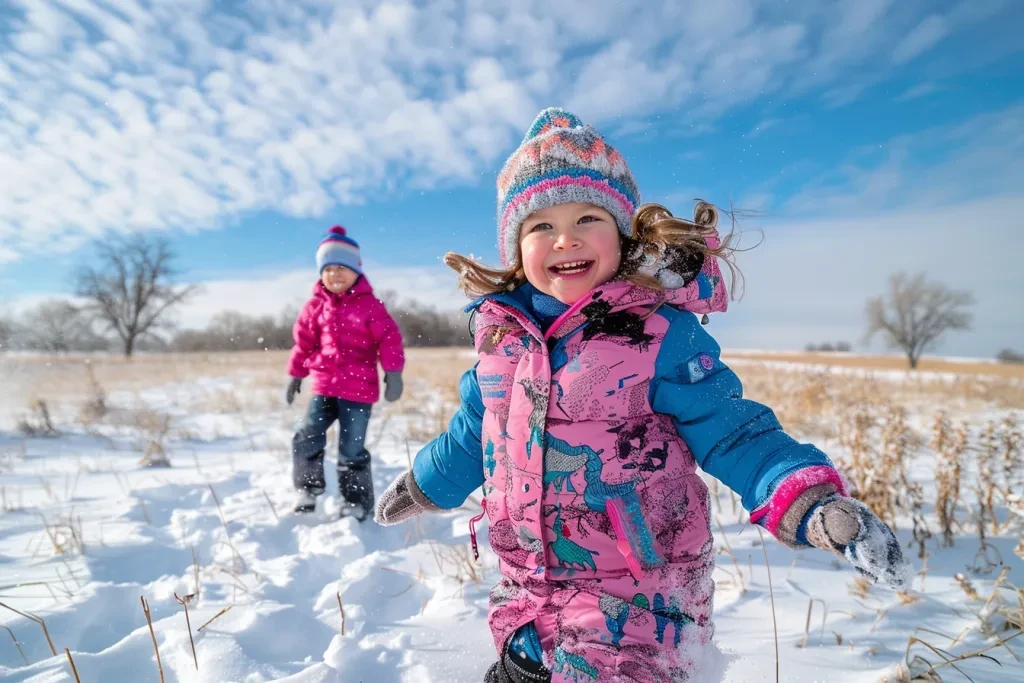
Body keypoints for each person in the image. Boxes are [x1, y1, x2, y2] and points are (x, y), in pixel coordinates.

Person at [375, 108, 909, 682]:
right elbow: (473, 430)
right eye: (540, 226)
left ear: (623, 234)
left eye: (587, 216)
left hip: (640, 597)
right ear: (515, 248)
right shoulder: (500, 341)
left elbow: (733, 432)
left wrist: (806, 501)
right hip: (527, 591)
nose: (566, 238)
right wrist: (427, 482)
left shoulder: (656, 333)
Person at [286, 225, 405, 520]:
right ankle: (308, 488)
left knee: (352, 449)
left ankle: (355, 501)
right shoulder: (314, 307)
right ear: (320, 273)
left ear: (356, 271)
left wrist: (393, 372)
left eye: (342, 267)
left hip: (359, 391)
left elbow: (389, 338)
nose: (335, 274)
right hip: (324, 387)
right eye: (328, 268)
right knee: (306, 435)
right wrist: (296, 374)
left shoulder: (370, 306)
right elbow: (303, 343)